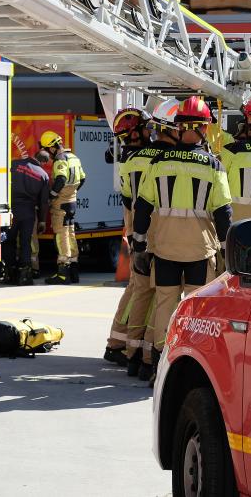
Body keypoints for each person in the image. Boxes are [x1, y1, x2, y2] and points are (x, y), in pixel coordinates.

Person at [132, 96, 232, 385]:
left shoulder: (159, 162)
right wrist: (228, 252)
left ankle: (159, 367)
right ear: (205, 128)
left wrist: (139, 245)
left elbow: (143, 206)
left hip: (164, 248)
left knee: (165, 304)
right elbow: (223, 213)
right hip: (200, 250)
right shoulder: (214, 166)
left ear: (178, 127)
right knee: (195, 308)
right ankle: (190, 367)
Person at [119, 99, 179, 380]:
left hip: (135, 233)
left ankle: (131, 355)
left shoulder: (130, 161)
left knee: (141, 292)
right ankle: (149, 358)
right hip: (162, 234)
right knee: (162, 297)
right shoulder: (168, 159)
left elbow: (128, 200)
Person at [103, 107, 153, 366]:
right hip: (144, 232)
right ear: (137, 131)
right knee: (143, 289)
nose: (151, 131)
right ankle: (122, 344)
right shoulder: (148, 159)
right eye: (147, 127)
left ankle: (118, 342)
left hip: (134, 229)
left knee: (136, 288)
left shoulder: (128, 160)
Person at [2, 149, 50, 286]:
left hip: (11, 210)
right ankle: (25, 275)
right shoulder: (43, 175)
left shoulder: (14, 164)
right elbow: (43, 202)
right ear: (44, 162)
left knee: (8, 241)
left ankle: (9, 273)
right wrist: (41, 220)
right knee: (25, 243)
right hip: (28, 212)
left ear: (34, 156)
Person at [44, 132, 86, 285]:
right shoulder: (74, 157)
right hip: (72, 201)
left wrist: (52, 196)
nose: (47, 154)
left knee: (61, 235)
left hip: (60, 203)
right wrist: (72, 192)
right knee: (70, 233)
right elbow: (82, 178)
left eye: (46, 149)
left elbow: (61, 179)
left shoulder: (60, 160)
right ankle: (74, 271)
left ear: (51, 148)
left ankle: (63, 273)